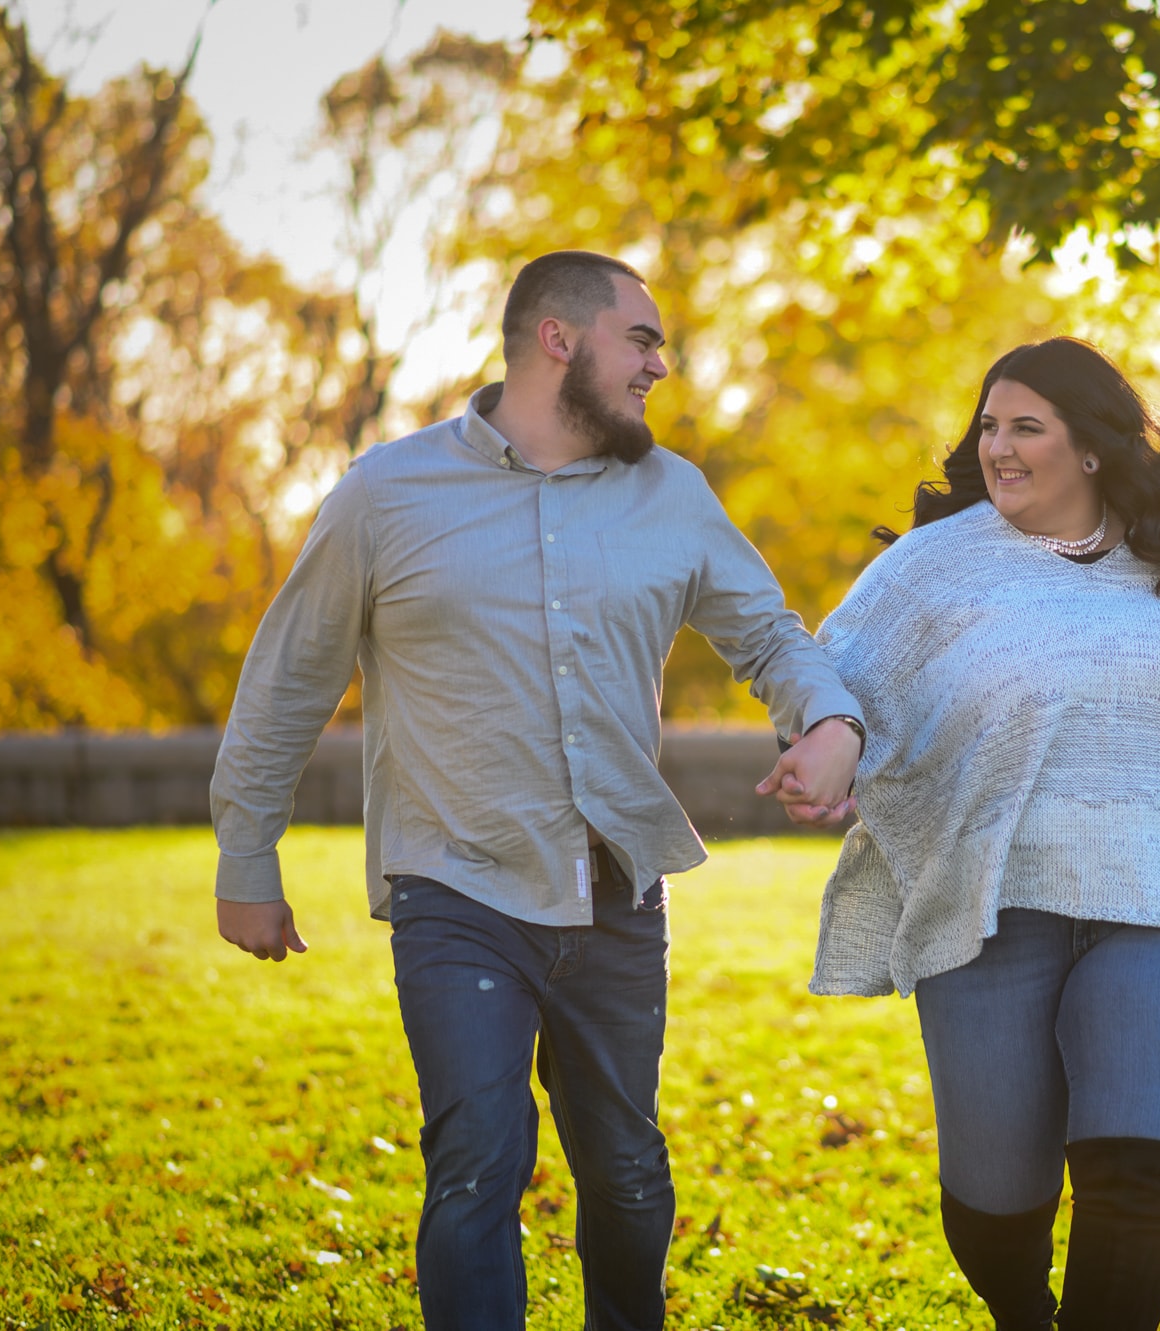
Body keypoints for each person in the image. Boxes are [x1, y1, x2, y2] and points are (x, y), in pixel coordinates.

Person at [209, 251, 865, 1331]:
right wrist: (246, 859)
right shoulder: (387, 492)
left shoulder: (671, 494)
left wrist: (830, 721)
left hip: (615, 885)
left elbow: (767, 634)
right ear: (558, 339)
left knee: (626, 1172)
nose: (661, 361)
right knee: (475, 1157)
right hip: (455, 881)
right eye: (641, 338)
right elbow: (288, 678)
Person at [807, 337, 1160, 1331]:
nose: (997, 446)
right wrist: (826, 744)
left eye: (1023, 426)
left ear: (1088, 446)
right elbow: (832, 679)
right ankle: (1021, 1313)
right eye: (988, 426)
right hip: (991, 898)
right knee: (993, 1199)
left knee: (1134, 1173)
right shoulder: (929, 570)